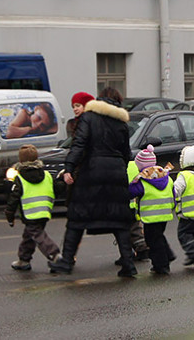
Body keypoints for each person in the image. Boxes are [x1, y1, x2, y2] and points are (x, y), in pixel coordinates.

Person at [48, 86, 137, 278]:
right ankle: (128, 264)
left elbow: (79, 144)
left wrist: (69, 167)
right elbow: (127, 154)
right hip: (116, 173)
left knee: (77, 218)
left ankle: (66, 262)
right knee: (120, 219)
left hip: (92, 172)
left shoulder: (89, 117)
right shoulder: (121, 123)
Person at [5, 144, 62, 271]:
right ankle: (24, 259)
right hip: (45, 211)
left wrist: (10, 216)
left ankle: (54, 255)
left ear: (21, 160)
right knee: (29, 236)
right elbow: (57, 189)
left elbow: (13, 199)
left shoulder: (19, 178)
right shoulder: (46, 175)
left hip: (30, 213)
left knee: (38, 236)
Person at [129, 146, 176, 275]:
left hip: (151, 216)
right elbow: (173, 192)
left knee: (152, 241)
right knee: (159, 236)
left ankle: (161, 266)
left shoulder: (143, 180)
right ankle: (168, 254)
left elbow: (131, 192)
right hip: (165, 214)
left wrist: (131, 184)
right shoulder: (166, 176)